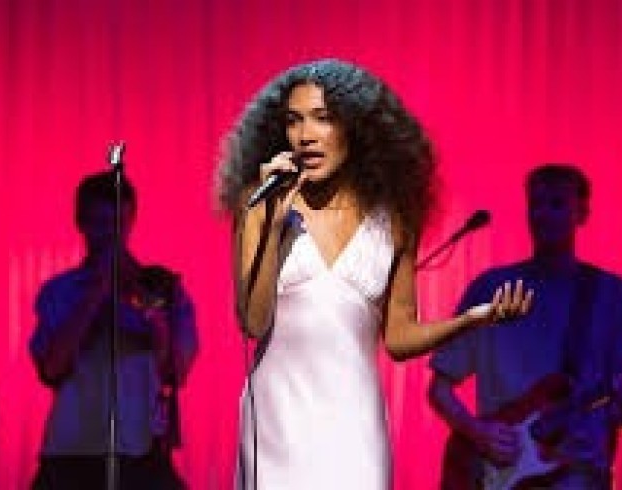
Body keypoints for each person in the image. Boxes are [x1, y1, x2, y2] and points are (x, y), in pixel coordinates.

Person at [216, 59, 533, 490]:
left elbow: (399, 338)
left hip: (354, 422)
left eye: (323, 118)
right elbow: (252, 323)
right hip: (276, 421)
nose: (305, 135)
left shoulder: (394, 219)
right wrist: (272, 227)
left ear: (356, 127)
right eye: (294, 121)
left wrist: (473, 319)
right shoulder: (259, 202)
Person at [429, 164, 622, 489]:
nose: (543, 214)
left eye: (557, 203)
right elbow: (439, 390)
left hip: (579, 475)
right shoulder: (490, 289)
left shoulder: (613, 296)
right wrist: (478, 433)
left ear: (582, 213)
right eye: (536, 204)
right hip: (498, 476)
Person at [29, 171, 198, 490]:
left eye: (118, 223)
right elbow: (51, 368)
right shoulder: (60, 291)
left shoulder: (164, 289)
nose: (109, 233)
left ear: (131, 221)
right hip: (72, 450)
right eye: (99, 223)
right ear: (80, 222)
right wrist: (96, 292)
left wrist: (154, 316)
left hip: (142, 451)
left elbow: (175, 372)